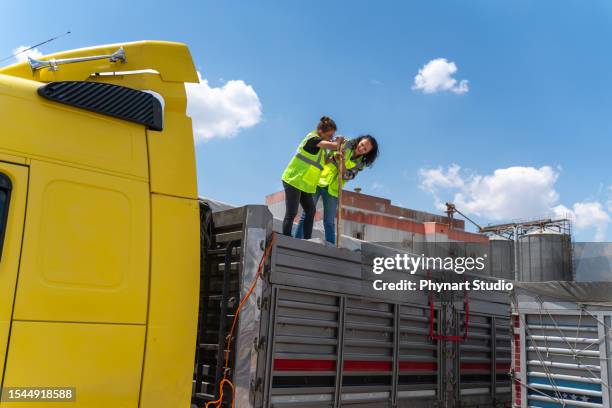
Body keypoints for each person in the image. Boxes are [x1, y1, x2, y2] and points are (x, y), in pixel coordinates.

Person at [296, 135, 379, 244]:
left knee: (329, 221)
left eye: (365, 149)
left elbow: (347, 175)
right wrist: (335, 153)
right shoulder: (345, 145)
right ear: (359, 141)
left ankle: (330, 246)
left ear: (368, 152)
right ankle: (297, 240)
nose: (361, 148)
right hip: (319, 181)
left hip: (333, 190)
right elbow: (324, 160)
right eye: (362, 144)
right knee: (307, 214)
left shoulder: (360, 164)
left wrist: (342, 161)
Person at [281, 116, 344, 239]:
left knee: (310, 211)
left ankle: (307, 240)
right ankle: (286, 240)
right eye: (330, 135)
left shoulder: (320, 147)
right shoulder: (312, 139)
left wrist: (333, 159)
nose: (331, 138)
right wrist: (339, 141)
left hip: (303, 184)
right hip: (293, 180)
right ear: (321, 131)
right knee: (292, 212)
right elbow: (335, 146)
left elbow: (323, 161)